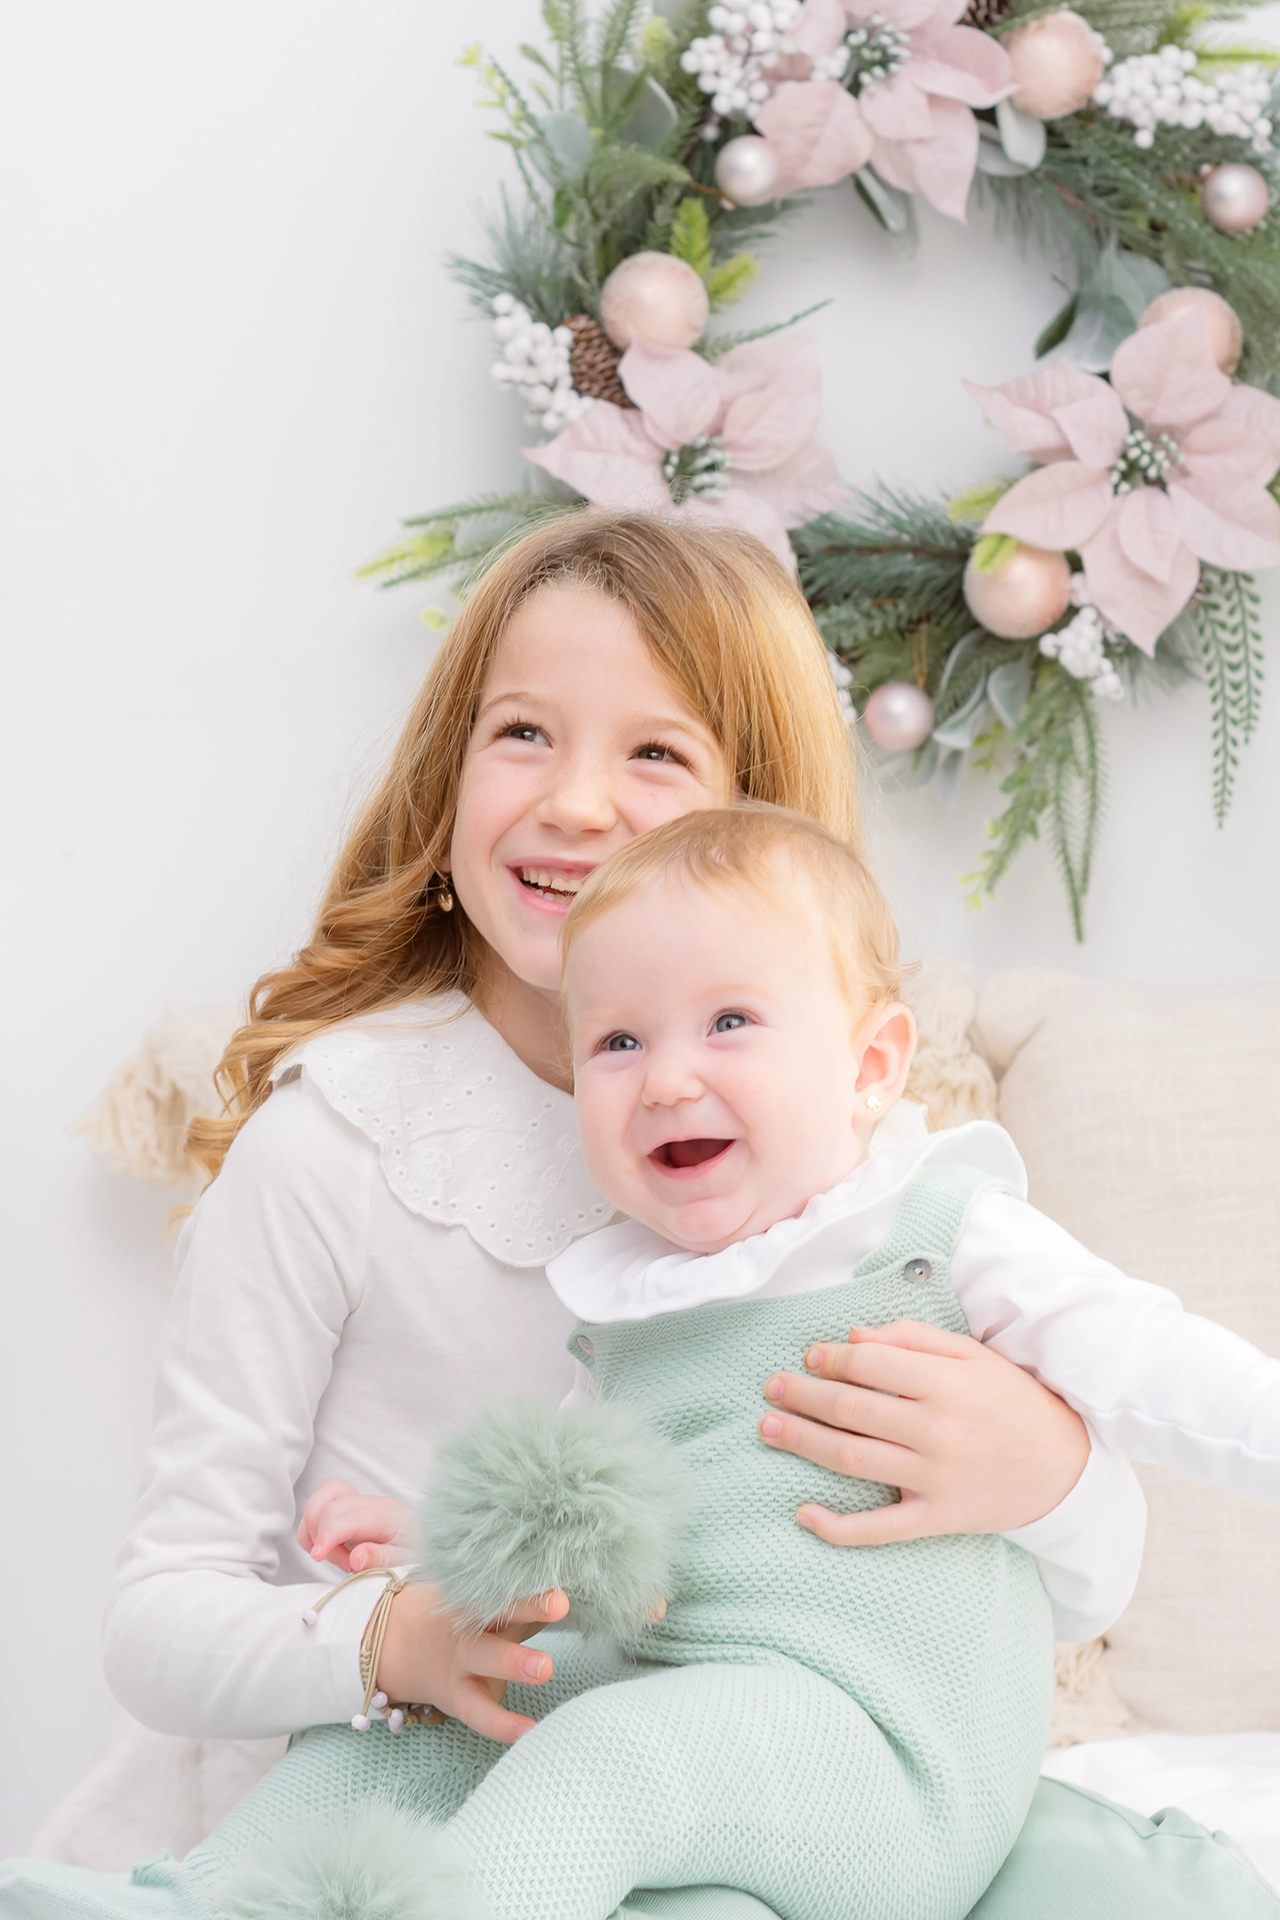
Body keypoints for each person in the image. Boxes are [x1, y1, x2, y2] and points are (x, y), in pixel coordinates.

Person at [0, 513, 1262, 1920]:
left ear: (751, 822)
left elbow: (1078, 1574)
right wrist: (393, 1631)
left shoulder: (835, 1158)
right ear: (447, 775)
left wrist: (1051, 1475)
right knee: (477, 1785)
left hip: (782, 1744)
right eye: (522, 734)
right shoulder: (336, 1143)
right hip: (445, 1727)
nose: (578, 803)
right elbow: (165, 1613)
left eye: (655, 753)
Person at [208, 803, 1280, 1920]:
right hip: (696, 1706)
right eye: (618, 1042)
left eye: (728, 1022)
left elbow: (1155, 1362)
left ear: (870, 1066)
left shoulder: (940, 1236)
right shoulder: (623, 1300)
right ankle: (177, 1899)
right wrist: (438, 1537)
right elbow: (577, 1535)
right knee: (406, 1729)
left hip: (886, 1756)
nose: (666, 1079)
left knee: (611, 1756)